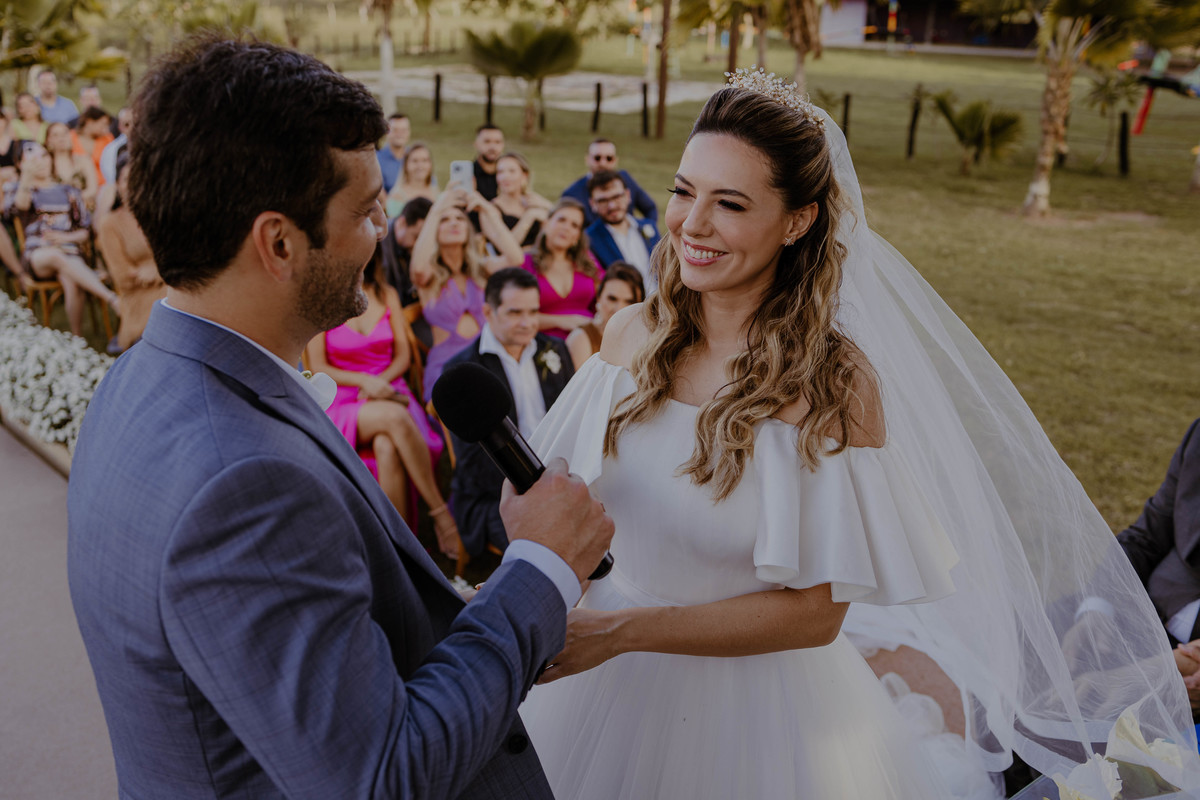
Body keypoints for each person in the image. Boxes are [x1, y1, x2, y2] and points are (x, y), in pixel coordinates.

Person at [519, 72, 1200, 798]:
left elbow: (815, 614)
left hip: (751, 720)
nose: (691, 223)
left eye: (731, 203)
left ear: (798, 221)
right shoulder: (627, 335)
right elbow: (558, 500)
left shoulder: (831, 388)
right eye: (685, 191)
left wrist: (625, 632)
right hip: (589, 680)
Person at [67, 36, 613, 799]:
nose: (384, 228)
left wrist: (479, 602)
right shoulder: (242, 484)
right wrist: (541, 570)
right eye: (365, 208)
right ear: (280, 242)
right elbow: (381, 775)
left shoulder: (144, 376)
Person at [305, 246, 460, 559]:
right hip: (345, 397)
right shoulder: (318, 297)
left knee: (387, 447)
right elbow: (318, 365)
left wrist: (381, 381)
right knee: (392, 419)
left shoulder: (386, 293)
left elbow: (403, 355)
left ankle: (397, 553)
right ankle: (441, 515)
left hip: (390, 386)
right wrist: (365, 382)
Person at [446, 268, 574, 559]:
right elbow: (473, 464)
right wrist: (536, 489)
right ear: (488, 312)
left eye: (534, 312)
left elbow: (571, 419)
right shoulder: (465, 371)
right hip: (499, 496)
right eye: (516, 313)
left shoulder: (555, 349)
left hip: (561, 475)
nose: (528, 323)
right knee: (554, 549)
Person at [1105, 417, 1200, 716]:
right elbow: (1146, 536)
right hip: (1141, 614)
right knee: (1018, 657)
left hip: (1187, 663)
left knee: (1092, 704)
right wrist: (1096, 607)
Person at [410, 184, 524, 400]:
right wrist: (436, 210)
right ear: (434, 228)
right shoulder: (428, 277)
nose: (454, 222)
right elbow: (417, 269)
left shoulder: (481, 270)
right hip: (446, 367)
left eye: (460, 218)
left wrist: (489, 212)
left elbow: (515, 259)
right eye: (445, 219)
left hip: (486, 361)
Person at [3, 141, 118, 335]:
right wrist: (26, 178)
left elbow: (85, 230)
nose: (41, 161)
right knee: (57, 257)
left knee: (71, 279)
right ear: (21, 164)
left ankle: (76, 337)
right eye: (33, 158)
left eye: (44, 155)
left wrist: (66, 237)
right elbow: (17, 208)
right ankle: (111, 298)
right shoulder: (18, 188)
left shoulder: (69, 190)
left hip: (71, 251)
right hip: (38, 255)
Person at [95, 154, 165, 352]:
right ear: (117, 185)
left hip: (173, 288)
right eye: (127, 179)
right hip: (140, 299)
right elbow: (124, 277)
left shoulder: (160, 215)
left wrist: (156, 271)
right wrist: (164, 271)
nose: (134, 185)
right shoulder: (110, 224)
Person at [521, 198, 603, 340]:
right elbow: (519, 315)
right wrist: (562, 321)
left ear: (577, 236)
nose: (566, 228)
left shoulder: (587, 262)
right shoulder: (526, 262)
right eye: (561, 220)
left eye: (574, 225)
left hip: (589, 340)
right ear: (545, 224)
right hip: (544, 343)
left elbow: (606, 299)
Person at [585, 169, 660, 288]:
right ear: (592, 204)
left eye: (616, 197)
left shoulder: (649, 226)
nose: (612, 206)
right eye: (603, 200)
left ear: (628, 195)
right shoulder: (589, 240)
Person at [564, 262, 643, 370]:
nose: (619, 308)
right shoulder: (582, 338)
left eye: (629, 301)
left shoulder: (647, 341)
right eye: (612, 299)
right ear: (599, 297)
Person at [561, 138, 657, 226]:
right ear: (587, 160)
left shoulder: (626, 179)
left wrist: (647, 234)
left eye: (609, 158)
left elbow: (650, 208)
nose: (603, 163)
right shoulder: (572, 194)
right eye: (597, 158)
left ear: (615, 161)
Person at [491, 151, 552, 248]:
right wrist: (529, 216)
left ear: (524, 175)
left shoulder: (534, 200)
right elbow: (506, 247)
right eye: (500, 172)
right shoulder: (492, 208)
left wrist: (547, 206)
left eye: (512, 171)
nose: (505, 176)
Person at [45, 121, 98, 206]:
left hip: (82, 207)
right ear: (48, 140)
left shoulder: (84, 160)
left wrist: (74, 200)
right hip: (55, 209)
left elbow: (93, 189)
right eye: (55, 135)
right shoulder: (45, 164)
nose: (61, 138)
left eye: (65, 133)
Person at [384, 140, 437, 218]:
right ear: (406, 165)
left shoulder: (436, 192)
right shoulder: (397, 196)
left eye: (425, 160)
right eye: (415, 161)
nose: (420, 166)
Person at [74, 106, 113, 185]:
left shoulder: (107, 139)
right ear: (90, 121)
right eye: (103, 124)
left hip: (103, 185)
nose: (106, 129)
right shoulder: (71, 138)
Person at [377, 112, 410, 194]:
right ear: (387, 132)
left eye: (403, 130)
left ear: (409, 132)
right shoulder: (377, 159)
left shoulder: (415, 156)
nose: (399, 134)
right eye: (395, 130)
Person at [99, 107, 132, 184]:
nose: (131, 128)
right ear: (120, 126)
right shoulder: (111, 149)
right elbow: (111, 177)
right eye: (127, 124)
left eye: (135, 124)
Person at [472, 124, 504, 201]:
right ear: (476, 144)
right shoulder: (468, 173)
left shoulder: (509, 174)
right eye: (487, 141)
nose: (492, 147)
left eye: (497, 142)